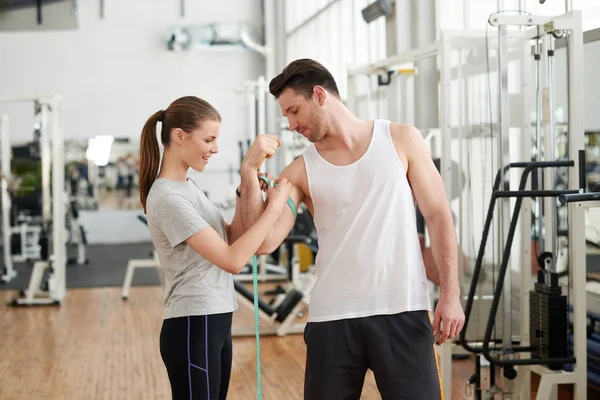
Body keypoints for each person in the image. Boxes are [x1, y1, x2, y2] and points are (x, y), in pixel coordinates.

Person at [237, 59, 465, 399]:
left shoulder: (401, 139)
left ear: (319, 94)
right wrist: (248, 176)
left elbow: (438, 215)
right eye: (286, 116)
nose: (291, 124)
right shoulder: (299, 172)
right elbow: (265, 242)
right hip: (333, 319)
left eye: (294, 111)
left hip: (401, 309)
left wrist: (451, 294)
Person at [138, 95, 291, 400]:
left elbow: (232, 237)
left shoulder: (189, 187)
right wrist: (274, 209)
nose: (216, 148)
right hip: (194, 323)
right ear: (179, 136)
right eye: (209, 139)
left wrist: (245, 185)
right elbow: (233, 260)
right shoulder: (168, 197)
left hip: (216, 317)